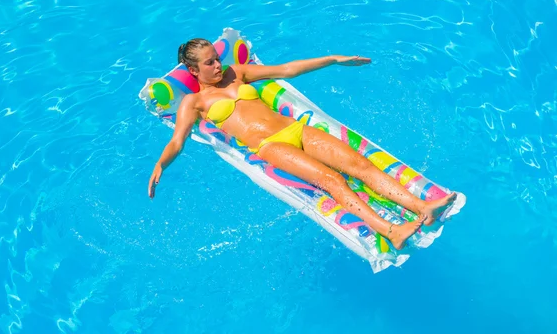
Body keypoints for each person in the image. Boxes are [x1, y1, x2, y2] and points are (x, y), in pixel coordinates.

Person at [148, 38, 456, 250]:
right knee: (332, 180)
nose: (217, 65)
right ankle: (392, 231)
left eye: (216, 58)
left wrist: (332, 59)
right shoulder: (194, 101)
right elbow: (178, 140)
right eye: (209, 62)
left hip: (296, 129)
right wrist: (161, 164)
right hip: (271, 146)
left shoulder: (236, 73)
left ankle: (422, 207)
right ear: (193, 70)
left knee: (360, 165)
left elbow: (287, 69)